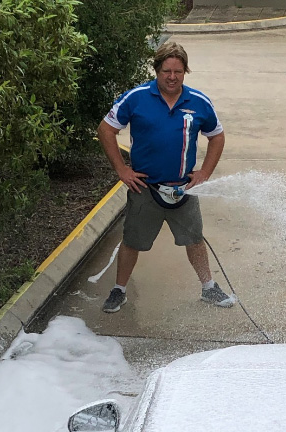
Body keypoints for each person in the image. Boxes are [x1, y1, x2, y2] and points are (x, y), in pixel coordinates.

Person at [97, 42, 234, 314]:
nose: (172, 77)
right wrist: (122, 170)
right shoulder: (135, 98)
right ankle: (119, 290)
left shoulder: (198, 102)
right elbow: (105, 130)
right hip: (145, 188)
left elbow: (216, 136)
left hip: (184, 189)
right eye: (167, 71)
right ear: (157, 70)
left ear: (185, 72)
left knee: (194, 240)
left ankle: (208, 287)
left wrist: (204, 172)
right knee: (132, 241)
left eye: (179, 71)